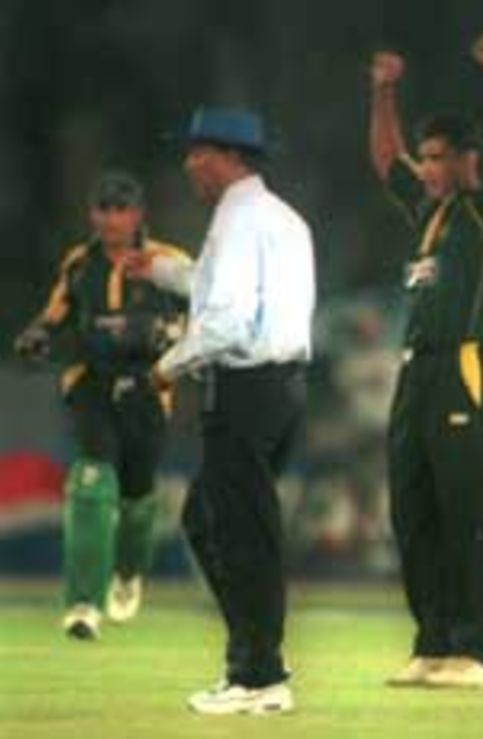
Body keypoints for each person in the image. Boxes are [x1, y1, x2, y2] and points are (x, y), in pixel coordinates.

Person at [126, 106, 315, 715]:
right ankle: (260, 663)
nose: (187, 165)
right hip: (284, 387)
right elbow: (220, 289)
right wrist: (161, 268)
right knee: (215, 521)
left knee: (236, 532)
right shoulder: (284, 219)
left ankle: (257, 674)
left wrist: (165, 367)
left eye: (196, 152)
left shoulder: (235, 222)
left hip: (243, 388)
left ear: (228, 157)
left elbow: (227, 323)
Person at [367, 29, 483, 690]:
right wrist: (383, 91)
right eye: (427, 157)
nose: (427, 167)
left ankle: (482, 651)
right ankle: (433, 641)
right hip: (415, 373)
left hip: (465, 368)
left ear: (469, 160)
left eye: (439, 157)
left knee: (465, 511)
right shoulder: (426, 213)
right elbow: (386, 157)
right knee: (413, 509)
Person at [12, 171, 189, 639]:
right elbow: (56, 314)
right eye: (103, 209)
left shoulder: (169, 262)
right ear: (92, 214)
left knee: (136, 496)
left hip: (148, 388)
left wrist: (163, 335)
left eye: (120, 209)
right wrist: (37, 335)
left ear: (138, 214)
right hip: (90, 383)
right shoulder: (79, 263)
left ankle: (128, 572)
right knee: (91, 479)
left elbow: (205, 316)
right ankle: (83, 604)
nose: (111, 219)